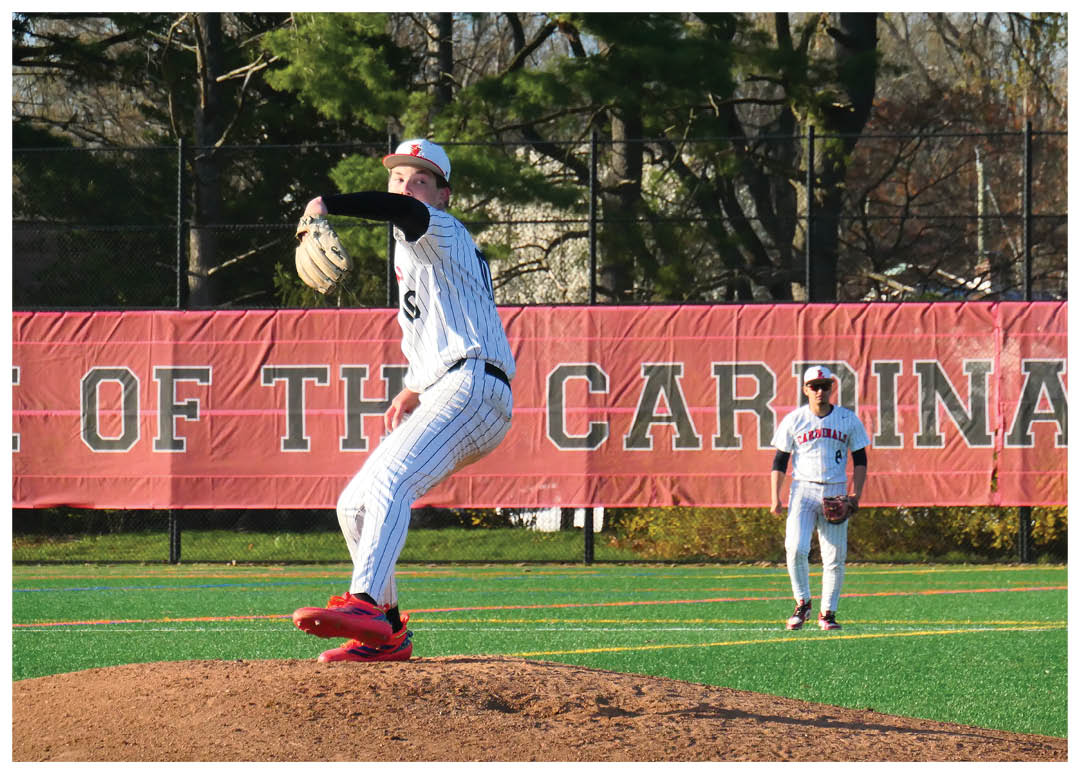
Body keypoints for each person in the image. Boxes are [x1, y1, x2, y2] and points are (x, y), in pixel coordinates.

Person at [291, 139, 516, 662]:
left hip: (474, 386)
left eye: (420, 179)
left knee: (393, 480)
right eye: (399, 177)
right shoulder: (413, 252)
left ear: (443, 194)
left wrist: (326, 203)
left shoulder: (437, 227)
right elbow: (440, 322)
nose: (406, 186)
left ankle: (366, 603)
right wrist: (414, 388)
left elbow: (402, 211)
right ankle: (388, 633)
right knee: (354, 504)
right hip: (453, 386)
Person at [770, 365, 868, 631]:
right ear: (805, 389)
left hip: (835, 489)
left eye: (825, 386)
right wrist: (775, 497)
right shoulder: (794, 420)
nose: (820, 391)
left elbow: (860, 459)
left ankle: (828, 613)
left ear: (831, 388)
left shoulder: (847, 419)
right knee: (795, 547)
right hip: (802, 489)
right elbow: (780, 461)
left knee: (834, 557)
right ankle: (802, 604)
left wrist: (855, 493)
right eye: (814, 386)